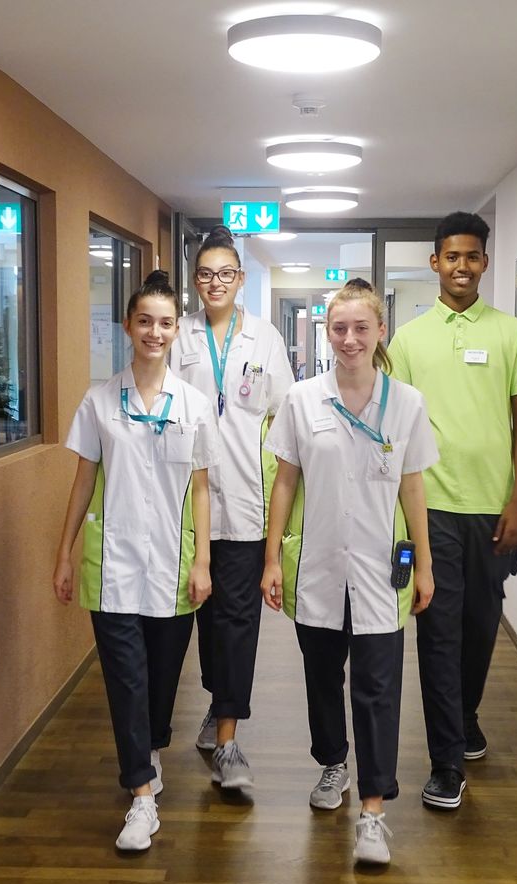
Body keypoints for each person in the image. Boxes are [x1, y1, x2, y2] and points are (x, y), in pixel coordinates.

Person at [260, 279, 438, 866]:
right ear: (327, 332)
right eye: (339, 328)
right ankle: (333, 762)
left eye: (362, 327)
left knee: (379, 689)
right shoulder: (302, 399)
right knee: (321, 678)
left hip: (380, 570)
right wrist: (271, 559)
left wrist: (426, 563)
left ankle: (374, 811)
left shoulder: (406, 403)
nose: (350, 339)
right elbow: (285, 481)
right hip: (317, 568)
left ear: (381, 331)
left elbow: (413, 486)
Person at [387, 212, 517, 810]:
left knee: (482, 626)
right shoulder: (408, 340)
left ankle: (466, 715)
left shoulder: (511, 333)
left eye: (472, 256)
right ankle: (446, 762)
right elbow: (394, 425)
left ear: (485, 262)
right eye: (451, 256)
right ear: (435, 262)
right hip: (429, 506)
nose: (462, 266)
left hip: (492, 508)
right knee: (437, 630)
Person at [52, 270, 215, 851]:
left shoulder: (194, 404)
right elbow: (82, 482)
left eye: (165, 323)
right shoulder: (99, 402)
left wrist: (203, 562)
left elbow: (202, 488)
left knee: (162, 681)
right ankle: (141, 797)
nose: (154, 332)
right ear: (128, 326)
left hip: (173, 564)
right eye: (144, 321)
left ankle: (149, 751)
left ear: (176, 331)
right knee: (125, 679)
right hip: (112, 564)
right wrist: (64, 554)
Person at [169, 225, 293, 790]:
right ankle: (217, 704)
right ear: (195, 280)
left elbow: (283, 415)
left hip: (245, 503)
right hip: (188, 505)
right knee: (203, 618)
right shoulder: (180, 336)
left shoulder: (265, 338)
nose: (215, 282)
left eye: (225, 273)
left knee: (238, 623)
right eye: (205, 274)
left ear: (240, 279)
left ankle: (228, 740)